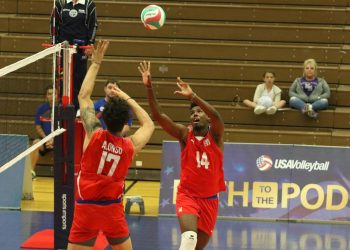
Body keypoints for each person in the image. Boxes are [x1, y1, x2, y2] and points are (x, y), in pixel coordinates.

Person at [67, 41, 154, 250]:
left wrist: (96, 62)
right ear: (126, 122)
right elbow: (149, 124)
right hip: (112, 211)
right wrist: (125, 97)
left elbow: (83, 96)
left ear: (103, 117)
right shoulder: (129, 146)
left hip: (86, 209)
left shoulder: (94, 134)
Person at [139, 61, 226, 250]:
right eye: (192, 113)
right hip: (188, 196)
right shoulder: (185, 135)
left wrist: (194, 96)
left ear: (207, 118)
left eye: (199, 112)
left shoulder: (216, 135)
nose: (195, 115)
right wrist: (149, 87)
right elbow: (159, 116)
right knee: (189, 239)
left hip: (210, 200)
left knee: (196, 247)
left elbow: (218, 116)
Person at [50, 0, 98, 110]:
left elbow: (93, 25)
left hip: (80, 49)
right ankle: (62, 107)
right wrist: (54, 44)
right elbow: (53, 24)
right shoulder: (60, 3)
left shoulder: (89, 4)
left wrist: (90, 43)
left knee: (79, 78)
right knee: (62, 78)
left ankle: (77, 109)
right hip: (63, 49)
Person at [30, 86, 54, 179]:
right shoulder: (41, 109)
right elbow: (38, 127)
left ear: (57, 96)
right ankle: (31, 172)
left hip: (58, 141)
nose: (52, 96)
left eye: (54, 93)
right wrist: (47, 139)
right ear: (46, 96)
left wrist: (54, 140)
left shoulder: (62, 109)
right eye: (49, 94)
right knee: (35, 143)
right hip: (45, 140)